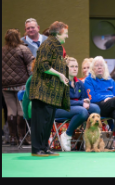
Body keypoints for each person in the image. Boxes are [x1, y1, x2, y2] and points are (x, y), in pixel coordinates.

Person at [28, 21, 72, 157]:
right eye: (65, 33)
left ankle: (45, 147)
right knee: (40, 121)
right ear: (58, 33)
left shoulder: (56, 46)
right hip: (42, 91)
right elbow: (42, 65)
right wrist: (59, 74)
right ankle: (37, 149)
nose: (67, 36)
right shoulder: (47, 45)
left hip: (51, 92)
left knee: (47, 121)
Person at [56, 57, 101, 151]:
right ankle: (67, 135)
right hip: (60, 109)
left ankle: (89, 135)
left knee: (95, 108)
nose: (75, 68)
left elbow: (84, 98)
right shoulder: (60, 82)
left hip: (76, 108)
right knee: (83, 111)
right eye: (72, 66)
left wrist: (86, 101)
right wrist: (81, 103)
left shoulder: (79, 83)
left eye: (76, 66)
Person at [2, 28, 34, 146]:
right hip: (22, 85)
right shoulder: (24, 49)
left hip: (5, 86)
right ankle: (22, 137)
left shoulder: (1, 50)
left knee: (11, 110)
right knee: (21, 110)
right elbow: (31, 67)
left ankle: (12, 138)